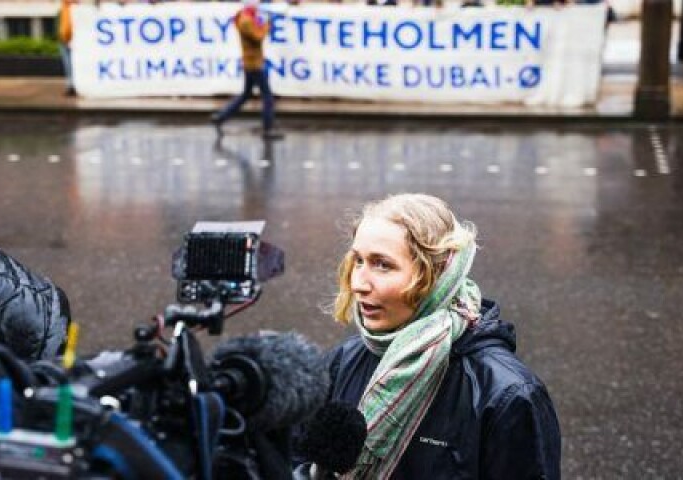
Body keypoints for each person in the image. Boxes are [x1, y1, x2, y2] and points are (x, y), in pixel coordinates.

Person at [323, 194, 561, 479]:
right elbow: (300, 460)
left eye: (382, 264)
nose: (358, 283)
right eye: (358, 261)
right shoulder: (343, 361)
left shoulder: (507, 395)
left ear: (437, 275)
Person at [210, 0, 283, 140]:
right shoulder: (246, 21)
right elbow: (258, 37)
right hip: (254, 63)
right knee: (267, 97)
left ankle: (220, 117)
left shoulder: (246, 18)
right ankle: (268, 129)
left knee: (246, 94)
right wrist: (267, 25)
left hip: (251, 62)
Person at [58, 0, 77, 97]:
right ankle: (71, 86)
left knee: (71, 65)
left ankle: (72, 86)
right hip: (64, 39)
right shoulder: (65, 7)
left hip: (72, 40)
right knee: (68, 65)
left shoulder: (75, 8)